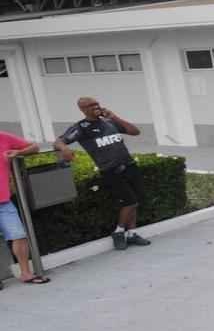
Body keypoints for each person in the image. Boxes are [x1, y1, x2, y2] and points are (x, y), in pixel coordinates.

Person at [54, 97, 151, 250]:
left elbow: (135, 131)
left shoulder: (109, 122)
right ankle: (118, 232)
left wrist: (113, 117)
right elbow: (59, 141)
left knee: (135, 201)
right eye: (91, 105)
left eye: (97, 104)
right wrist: (65, 149)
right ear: (83, 109)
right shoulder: (82, 127)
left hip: (129, 165)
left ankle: (131, 233)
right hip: (111, 170)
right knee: (129, 202)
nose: (96, 107)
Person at [0, 132, 49, 287]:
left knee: (19, 236)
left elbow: (34, 147)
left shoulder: (3, 137)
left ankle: (26, 273)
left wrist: (18, 153)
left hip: (3, 200)